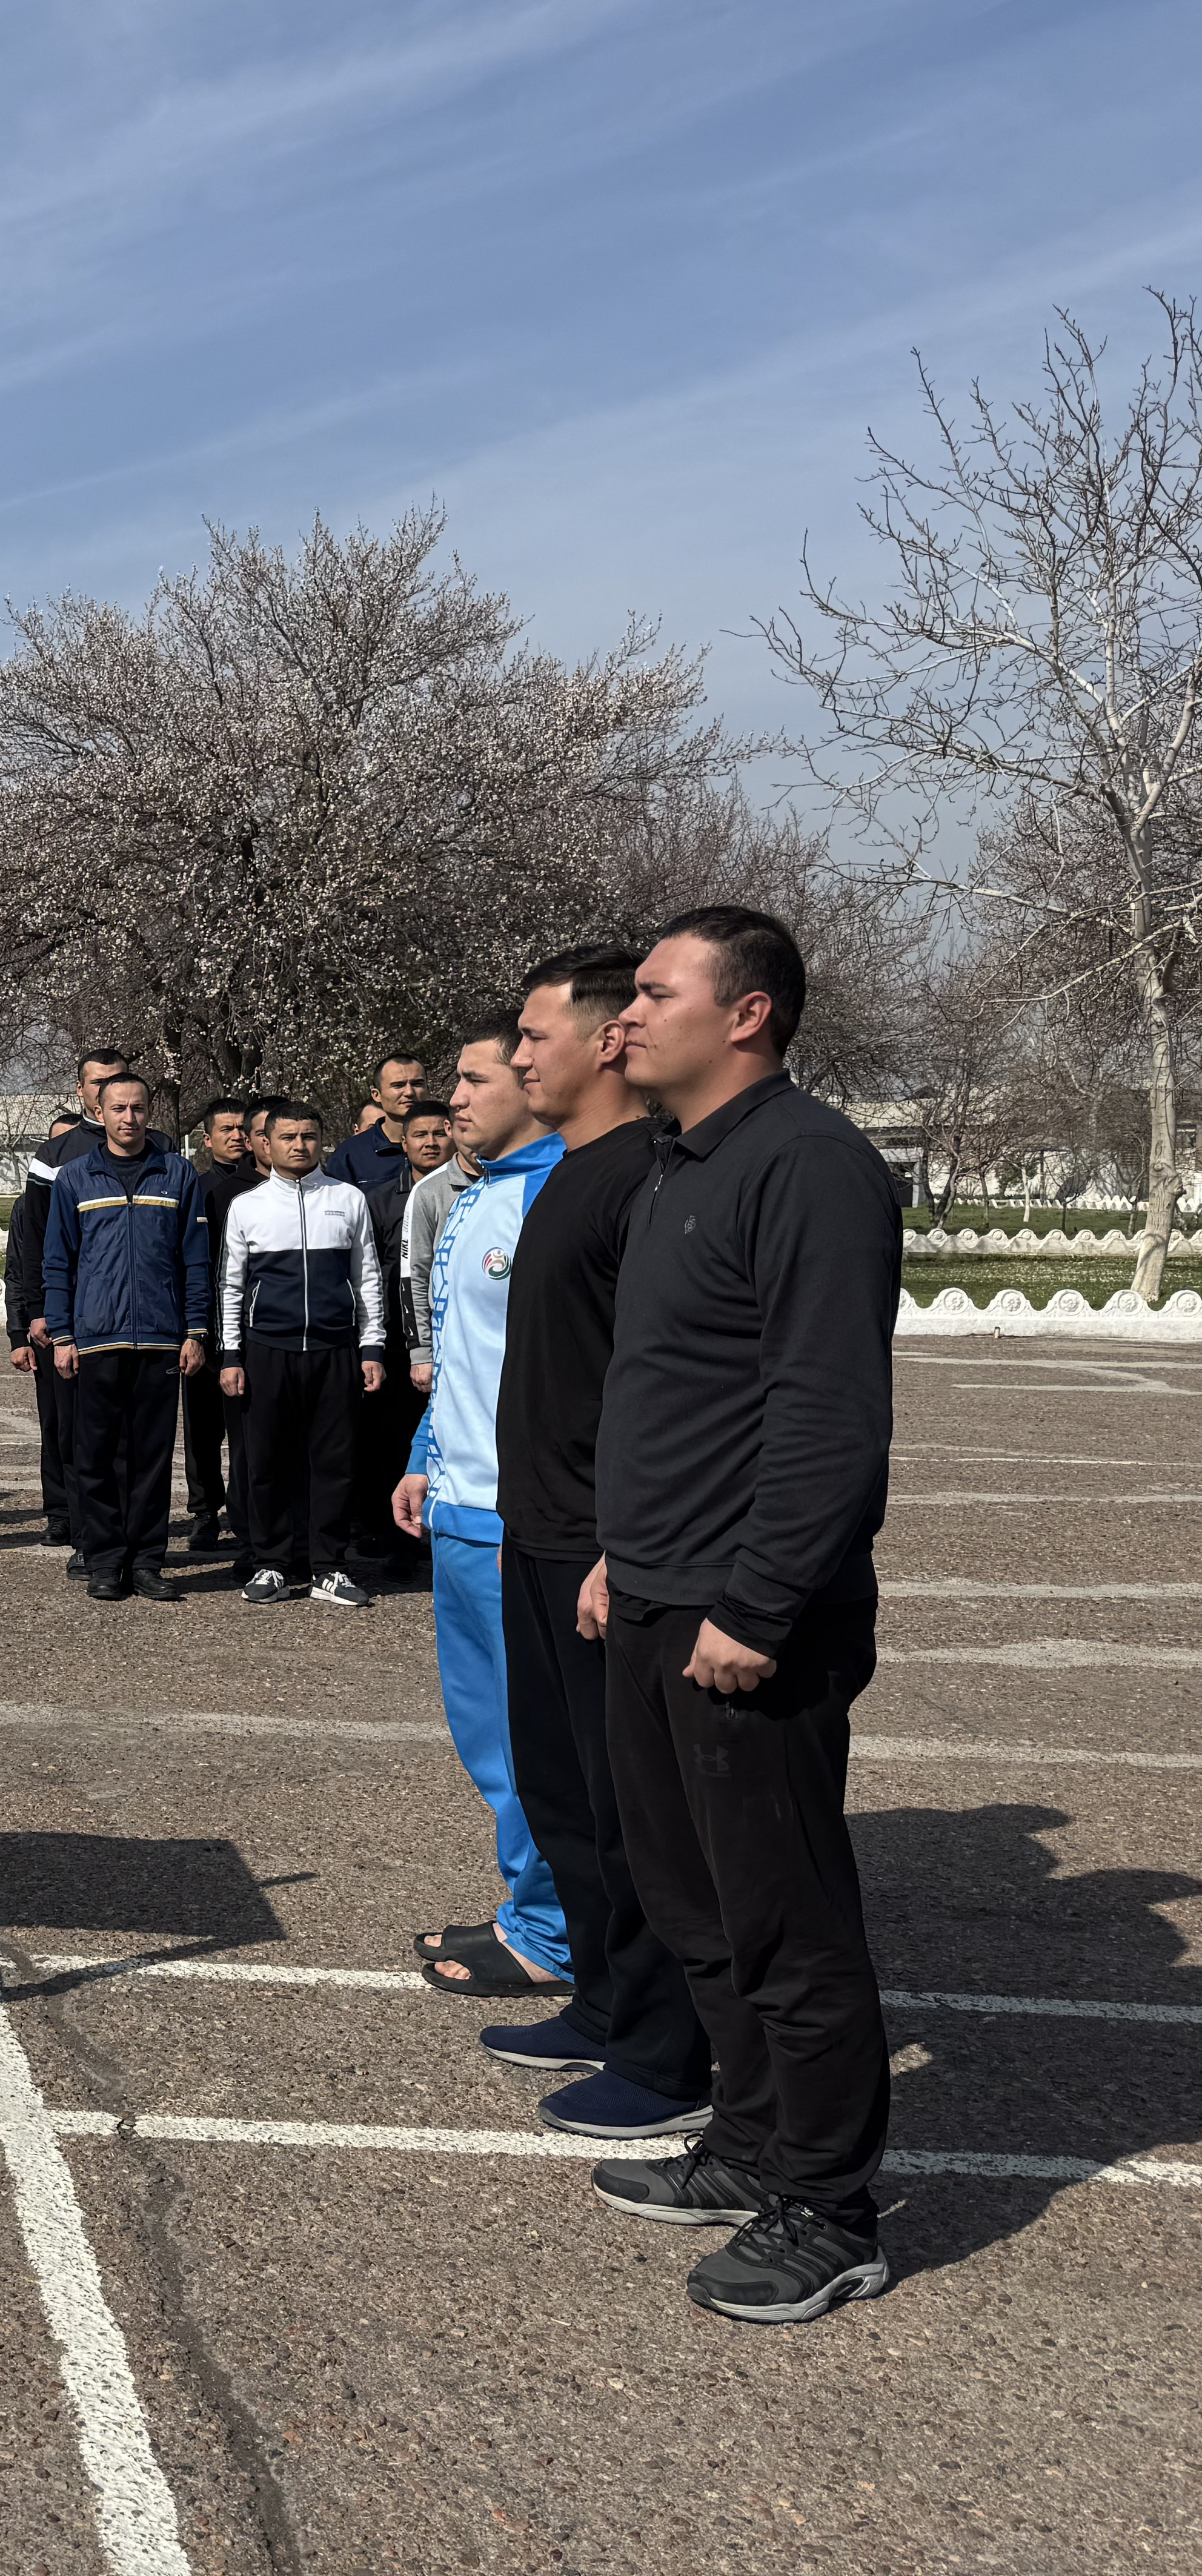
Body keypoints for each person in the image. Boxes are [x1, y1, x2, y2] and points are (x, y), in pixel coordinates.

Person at [583, 909, 902, 2327]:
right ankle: (754, 2148)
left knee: (786, 1922)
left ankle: (831, 2212)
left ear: (750, 1014)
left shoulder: (811, 1165)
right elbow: (676, 1395)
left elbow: (826, 1414)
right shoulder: (677, 1164)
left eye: (655, 994)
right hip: (654, 1595)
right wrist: (617, 1558)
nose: (624, 1019)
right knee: (695, 1903)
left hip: (745, 1619)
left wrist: (760, 1601)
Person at [468, 941, 716, 2145]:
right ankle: (608, 2003)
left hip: (600, 1548)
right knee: (561, 1788)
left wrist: (628, 1543)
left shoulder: (642, 1179)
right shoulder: (565, 1172)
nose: (518, 1054)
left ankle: (669, 2056)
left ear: (604, 1038)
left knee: (634, 1809)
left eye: (533, 1033)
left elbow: (660, 1386)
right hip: (535, 1529)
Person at [387, 1029, 573, 2011]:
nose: (448, 1095)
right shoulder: (473, 1194)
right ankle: (525, 1904)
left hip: (519, 1515)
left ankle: (554, 1930)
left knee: (533, 1735)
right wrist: (423, 1456)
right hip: (459, 1504)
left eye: (472, 1078)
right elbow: (465, 1359)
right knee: (488, 1733)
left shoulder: (559, 1193)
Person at [36, 1073, 211, 1601]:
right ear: (99, 1111)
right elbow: (57, 1262)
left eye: (137, 1108)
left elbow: (195, 1260)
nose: (128, 1118)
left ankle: (147, 1562)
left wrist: (196, 1331)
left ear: (149, 1111)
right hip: (96, 1339)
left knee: (152, 1458)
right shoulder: (75, 1179)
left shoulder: (178, 1175)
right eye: (118, 1109)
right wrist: (63, 1334)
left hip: (161, 1339)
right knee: (95, 1454)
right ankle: (106, 1560)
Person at [213, 1101, 383, 1608]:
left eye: (309, 1135)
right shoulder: (247, 1206)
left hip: (335, 1351)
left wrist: (372, 1346)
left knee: (334, 1462)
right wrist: (231, 1355)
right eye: (288, 1137)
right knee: (266, 1463)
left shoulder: (348, 1199)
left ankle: (329, 1566)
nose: (299, 1145)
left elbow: (368, 1276)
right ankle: (271, 1564)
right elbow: (230, 1286)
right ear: (266, 1143)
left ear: (321, 1140)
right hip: (268, 1351)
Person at [3, 1050, 130, 1569]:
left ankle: (134, 1537)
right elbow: (33, 1244)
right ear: (82, 1092)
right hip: (70, 1314)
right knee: (74, 1431)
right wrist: (36, 1315)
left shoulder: (160, 1152)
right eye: (98, 1085)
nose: (109, 1097)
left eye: (117, 1084)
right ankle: (83, 1531)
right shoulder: (55, 1157)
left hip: (132, 1318)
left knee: (131, 1434)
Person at [344, 1100, 453, 1584]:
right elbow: (371, 1272)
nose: (431, 1142)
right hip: (397, 1342)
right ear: (402, 1144)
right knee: (396, 1443)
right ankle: (401, 1544)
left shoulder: (475, 1192)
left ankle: (450, 1539)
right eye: (420, 1135)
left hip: (459, 1337)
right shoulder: (380, 1200)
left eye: (439, 1133)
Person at [181, 1100, 257, 1553]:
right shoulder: (200, 1189)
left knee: (250, 1429)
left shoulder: (266, 1187)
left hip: (253, 1327)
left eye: (242, 1129)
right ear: (207, 1139)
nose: (236, 1137)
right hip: (205, 1326)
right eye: (226, 1130)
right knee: (203, 1430)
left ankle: (247, 1510)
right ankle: (205, 1513)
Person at [399, 1105, 476, 1384]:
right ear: (452, 1129)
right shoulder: (428, 1192)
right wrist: (421, 1352)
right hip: (448, 1339)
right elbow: (414, 1275)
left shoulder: (508, 1181)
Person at [327, 1052, 430, 1186]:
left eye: (417, 1084)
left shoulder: (449, 1146)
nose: (409, 1092)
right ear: (377, 1095)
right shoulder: (350, 1156)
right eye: (398, 1085)